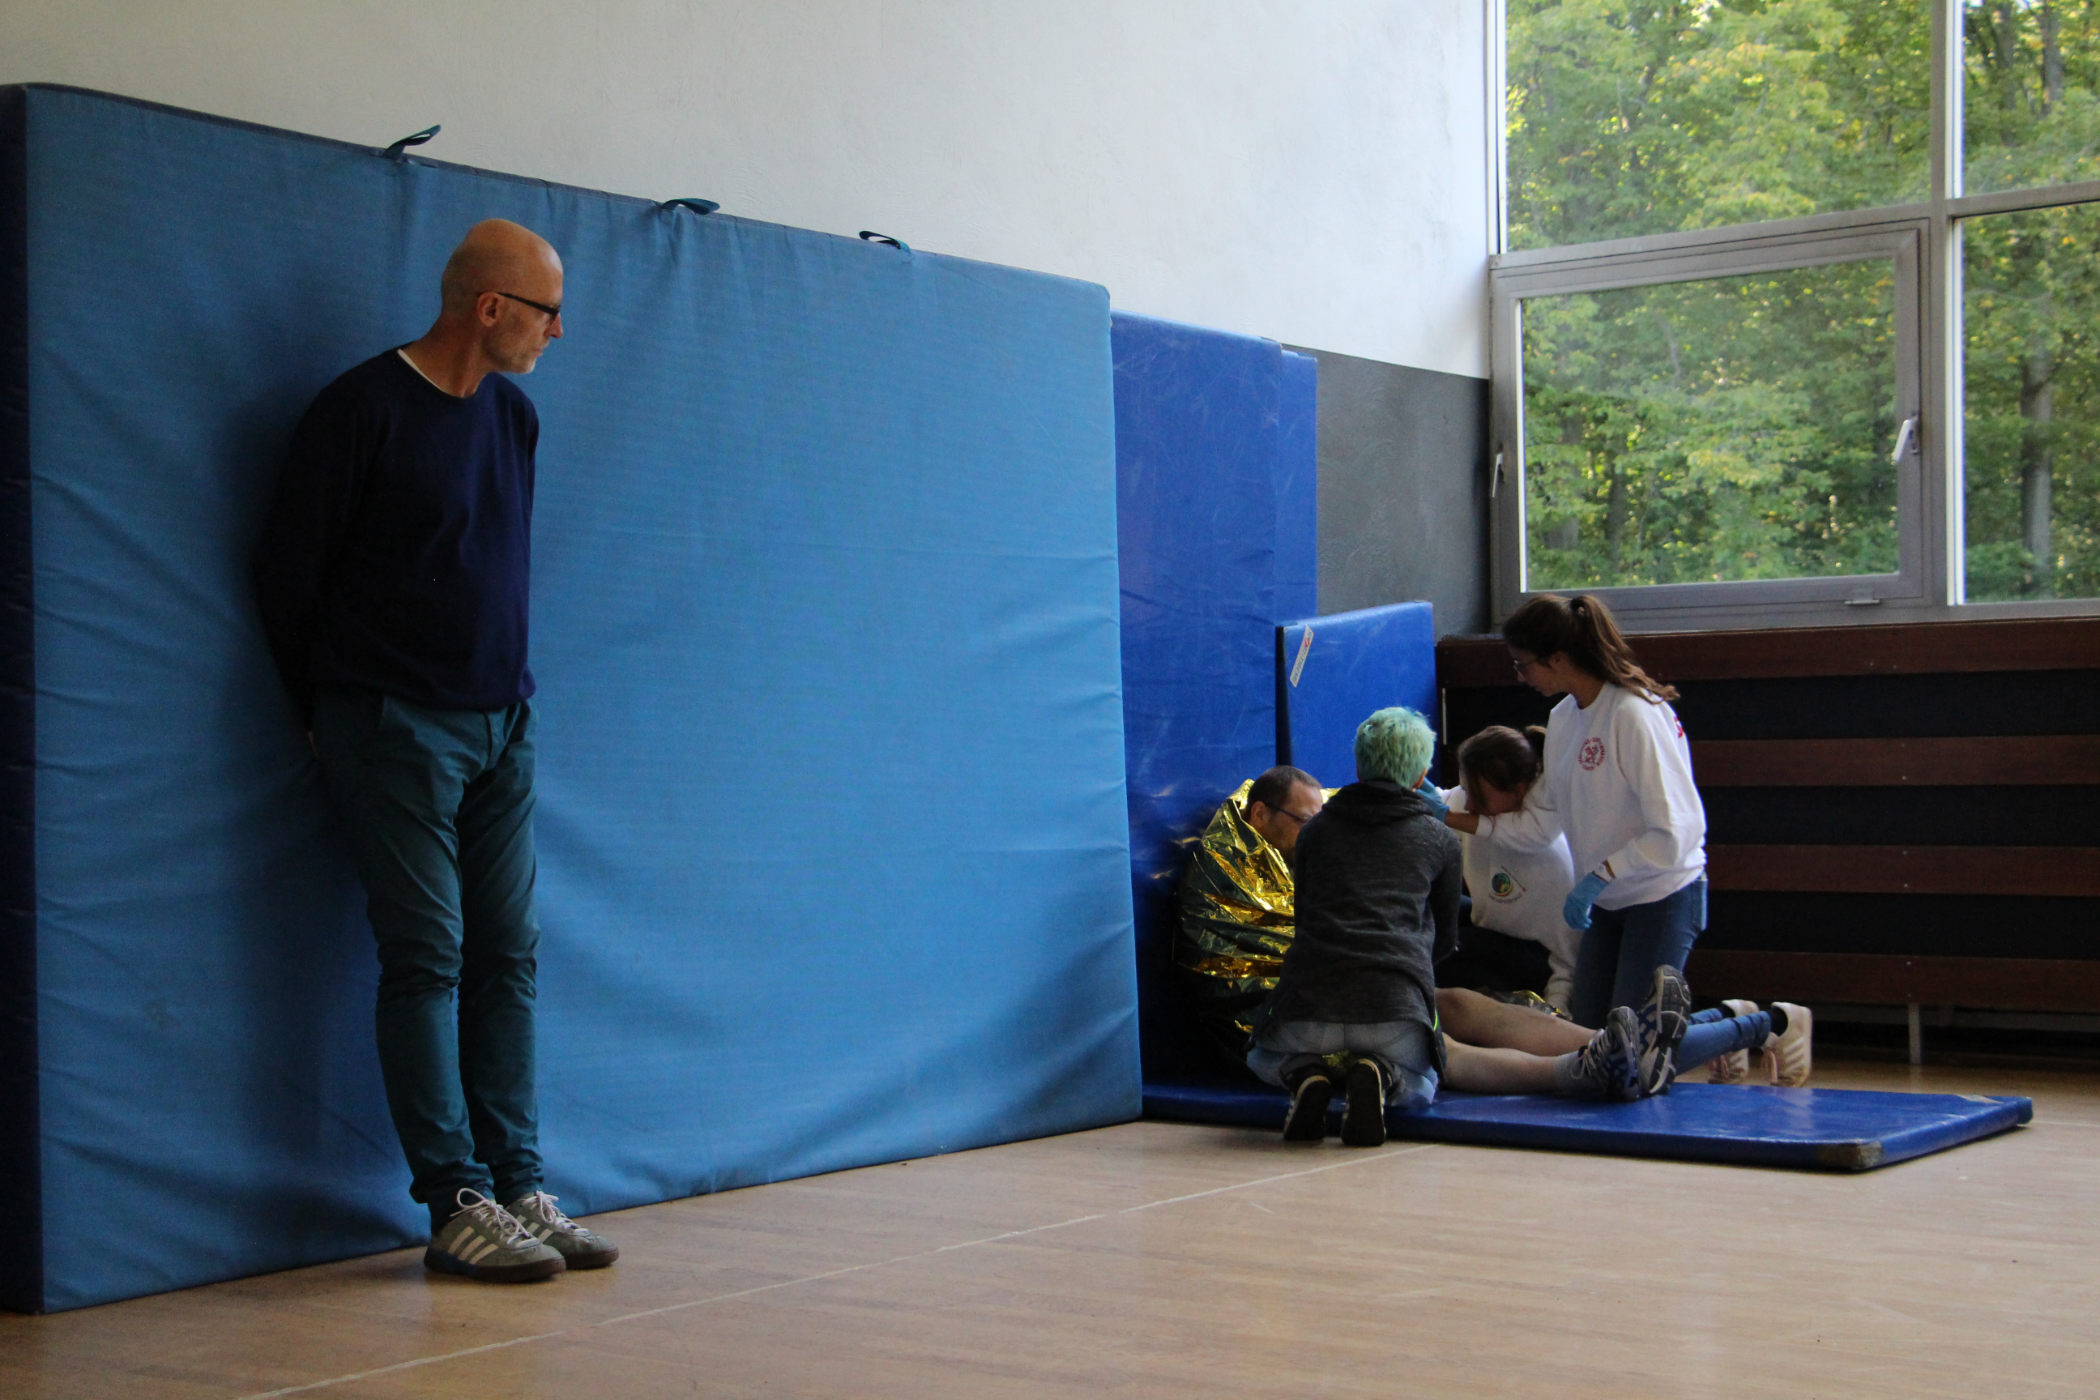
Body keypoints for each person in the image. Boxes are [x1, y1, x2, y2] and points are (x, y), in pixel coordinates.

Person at [253, 220, 616, 1283]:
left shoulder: (514, 417)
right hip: (393, 723)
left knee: (510, 953)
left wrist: (505, 699)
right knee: (428, 956)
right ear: (490, 307)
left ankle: (518, 1184)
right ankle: (455, 1202)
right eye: (547, 311)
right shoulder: (360, 410)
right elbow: (286, 572)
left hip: (503, 720)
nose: (558, 331)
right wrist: (324, 707)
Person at [1246, 706, 1672, 1146]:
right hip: (1394, 1010)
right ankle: (1387, 1075)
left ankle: (1306, 1072)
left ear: (1356, 767)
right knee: (1427, 1074)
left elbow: (1305, 920)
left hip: (1305, 1007)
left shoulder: (1313, 833)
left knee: (1263, 1056)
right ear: (1420, 777)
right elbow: (1442, 938)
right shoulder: (1437, 836)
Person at [1447, 593, 1712, 1039]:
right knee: (1586, 1041)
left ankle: (1765, 1024)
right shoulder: (1564, 719)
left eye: (1523, 664)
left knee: (1630, 1045)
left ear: (1557, 658)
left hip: (1661, 895)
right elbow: (1540, 826)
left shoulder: (1633, 715)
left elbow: (1677, 832)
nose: (1519, 676)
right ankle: (1736, 1023)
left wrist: (1603, 872)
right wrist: (1449, 812)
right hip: (1607, 902)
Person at [1173, 766, 1325, 1069]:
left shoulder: (1291, 858)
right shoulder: (1225, 875)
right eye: (1306, 822)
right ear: (1259, 815)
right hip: (1259, 1033)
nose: (1315, 835)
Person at [1432, 725, 1580, 1012]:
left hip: (1538, 959)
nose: (1469, 805)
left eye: (1479, 796)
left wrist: (1556, 1011)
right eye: (1466, 790)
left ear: (1519, 791)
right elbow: (1439, 801)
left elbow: (1568, 960)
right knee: (1429, 912)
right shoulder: (1470, 804)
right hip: (1490, 931)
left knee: (1442, 948)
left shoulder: (1550, 858)